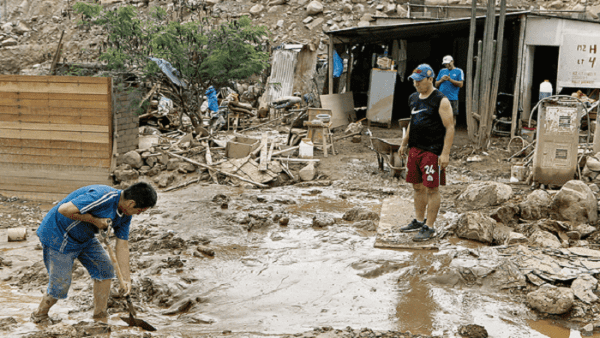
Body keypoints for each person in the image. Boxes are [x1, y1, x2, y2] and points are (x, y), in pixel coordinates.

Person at [31, 182, 157, 324]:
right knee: (60, 285)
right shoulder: (102, 196)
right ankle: (39, 315)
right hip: (58, 235)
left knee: (105, 270)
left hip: (84, 238)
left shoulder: (125, 214)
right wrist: (95, 221)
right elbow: (64, 209)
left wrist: (126, 279)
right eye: (140, 211)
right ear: (131, 203)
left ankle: (100, 316)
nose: (139, 214)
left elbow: (122, 245)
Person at [398, 64, 455, 242]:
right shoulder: (413, 98)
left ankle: (429, 227)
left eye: (420, 81)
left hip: (432, 151)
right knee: (416, 186)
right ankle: (418, 220)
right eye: (414, 81)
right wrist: (404, 143)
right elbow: (412, 122)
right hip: (415, 149)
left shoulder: (441, 100)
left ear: (430, 79)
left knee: (432, 188)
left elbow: (450, 127)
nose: (416, 84)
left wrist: (445, 154)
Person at [435, 55, 464, 122]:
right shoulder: (442, 71)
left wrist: (450, 80)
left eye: (448, 63)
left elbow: (461, 84)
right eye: (445, 64)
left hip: (453, 98)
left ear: (452, 61)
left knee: (452, 116)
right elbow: (436, 84)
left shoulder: (459, 71)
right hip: (441, 98)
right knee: (441, 116)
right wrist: (441, 80)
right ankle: (443, 131)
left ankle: (451, 131)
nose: (447, 65)